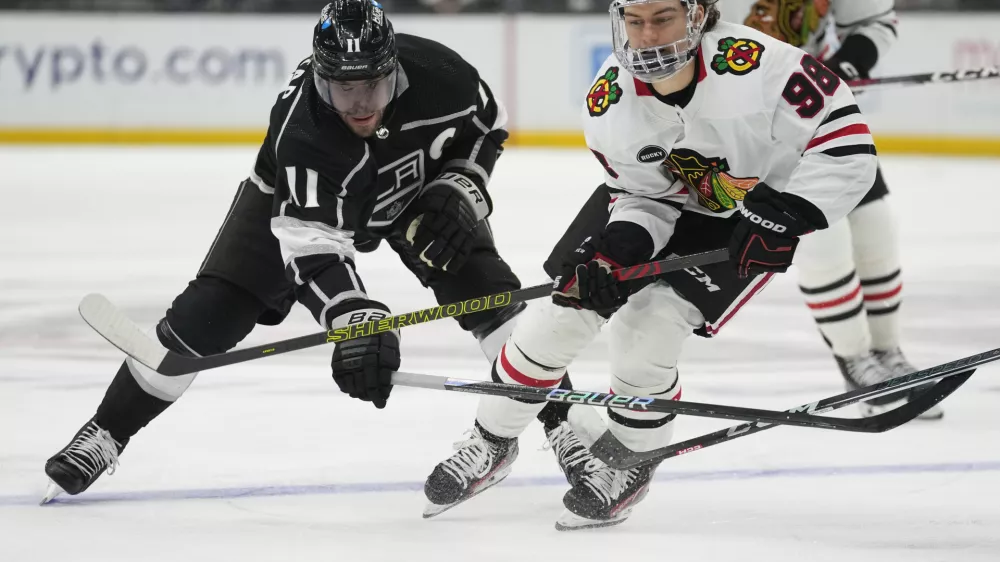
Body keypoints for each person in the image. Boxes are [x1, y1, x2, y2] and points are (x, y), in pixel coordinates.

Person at [41, 0, 581, 503]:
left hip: (414, 191)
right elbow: (313, 248)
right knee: (206, 317)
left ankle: (568, 431)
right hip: (295, 204)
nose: (360, 103)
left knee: (491, 296)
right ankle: (107, 432)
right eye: (344, 87)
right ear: (321, 77)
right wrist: (354, 318)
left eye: (372, 84)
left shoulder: (441, 74)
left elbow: (488, 125)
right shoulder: (302, 133)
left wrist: (460, 186)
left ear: (393, 67)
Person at [424, 0, 878, 531]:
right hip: (651, 203)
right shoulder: (610, 99)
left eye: (662, 18)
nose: (646, 37)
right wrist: (615, 253)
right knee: (562, 312)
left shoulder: (760, 65)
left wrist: (791, 214)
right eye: (634, 21)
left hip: (747, 217)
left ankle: (627, 463)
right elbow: (643, 196)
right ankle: (492, 440)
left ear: (698, 15)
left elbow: (848, 145)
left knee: (646, 330)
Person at [739, 0, 940, 419]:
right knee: (822, 243)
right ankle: (856, 363)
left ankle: (888, 356)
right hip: (745, 125)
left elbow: (874, 20)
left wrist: (847, 63)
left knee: (875, 228)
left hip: (815, 108)